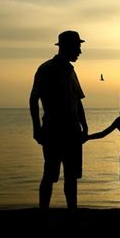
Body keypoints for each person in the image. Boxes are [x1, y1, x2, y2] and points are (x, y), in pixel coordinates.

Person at [29, 30, 88, 210]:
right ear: (67, 47)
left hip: (72, 131)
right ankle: (43, 211)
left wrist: (84, 126)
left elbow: (77, 100)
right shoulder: (46, 69)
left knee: (71, 176)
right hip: (53, 131)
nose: (79, 51)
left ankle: (72, 211)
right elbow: (33, 99)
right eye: (77, 47)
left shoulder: (71, 71)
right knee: (50, 174)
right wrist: (36, 128)